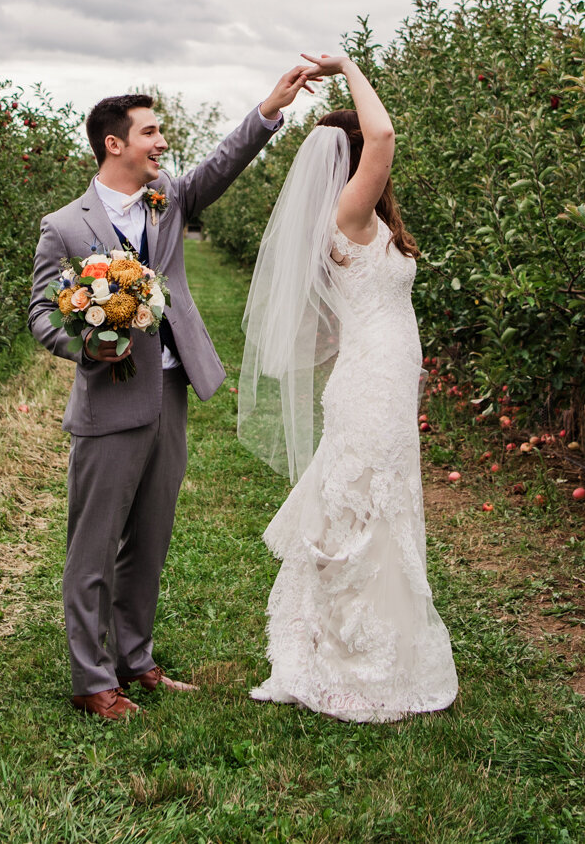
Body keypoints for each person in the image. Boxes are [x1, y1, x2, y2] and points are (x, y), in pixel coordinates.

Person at [27, 64, 324, 721]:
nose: (162, 142)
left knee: (151, 536)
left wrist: (270, 108)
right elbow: (41, 316)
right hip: (109, 398)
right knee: (94, 546)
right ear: (114, 144)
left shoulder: (167, 198)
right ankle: (91, 678)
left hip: (168, 390)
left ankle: (136, 658)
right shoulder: (65, 227)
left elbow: (224, 162)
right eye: (151, 131)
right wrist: (88, 344)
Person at [240, 53, 457, 722]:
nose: (384, 163)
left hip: (382, 380)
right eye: (371, 158)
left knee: (372, 506)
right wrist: (349, 66)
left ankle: (361, 640)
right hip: (371, 384)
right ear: (358, 161)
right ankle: (349, 655)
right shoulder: (349, 215)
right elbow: (384, 137)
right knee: (363, 511)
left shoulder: (369, 222)